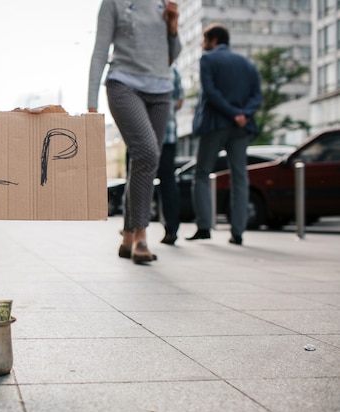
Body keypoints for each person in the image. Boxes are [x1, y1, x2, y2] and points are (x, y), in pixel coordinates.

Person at [88, 0, 181, 264]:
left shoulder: (163, 4)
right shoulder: (114, 4)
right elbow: (99, 51)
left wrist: (172, 26)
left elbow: (172, 55)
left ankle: (128, 234)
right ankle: (141, 235)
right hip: (123, 85)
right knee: (148, 153)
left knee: (145, 162)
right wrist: (91, 102)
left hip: (161, 90)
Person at [186, 23, 263, 245]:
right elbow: (257, 96)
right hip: (241, 127)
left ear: (213, 40)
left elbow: (211, 93)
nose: (203, 45)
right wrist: (242, 114)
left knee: (201, 173)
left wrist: (231, 113)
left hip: (214, 125)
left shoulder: (208, 59)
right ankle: (237, 232)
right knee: (240, 176)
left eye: (204, 40)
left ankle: (204, 227)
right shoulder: (247, 64)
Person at [157, 65, 184, 245]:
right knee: (168, 181)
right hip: (169, 134)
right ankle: (172, 228)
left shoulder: (143, 64)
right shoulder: (173, 71)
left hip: (143, 135)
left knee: (137, 179)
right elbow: (179, 101)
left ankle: (132, 228)